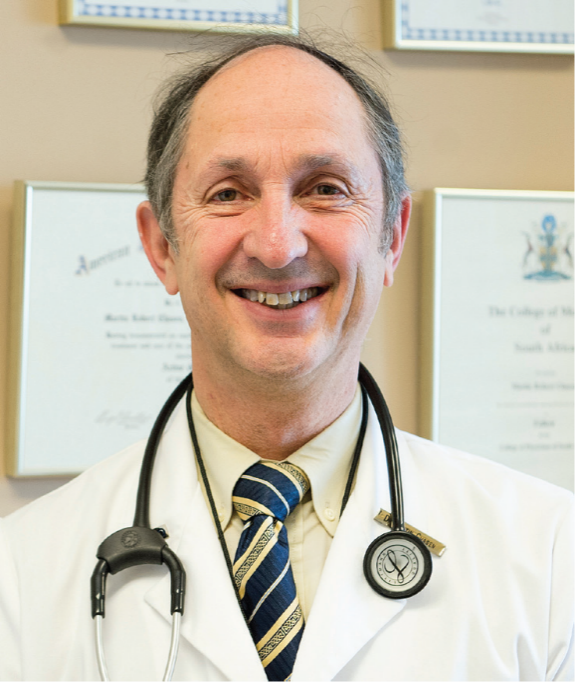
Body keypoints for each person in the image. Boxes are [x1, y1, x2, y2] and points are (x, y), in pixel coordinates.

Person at [0, 34, 574, 683]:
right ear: (161, 247)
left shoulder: (550, 559)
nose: (276, 246)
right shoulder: (20, 575)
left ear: (390, 237)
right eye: (226, 193)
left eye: (325, 188)